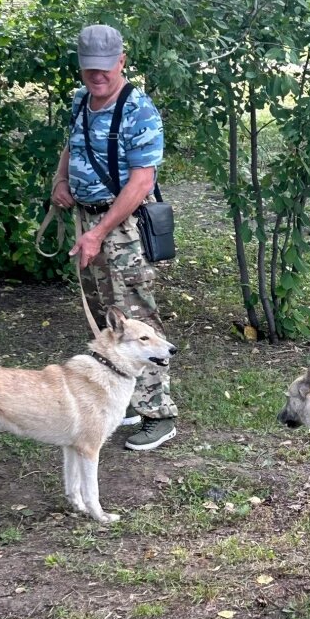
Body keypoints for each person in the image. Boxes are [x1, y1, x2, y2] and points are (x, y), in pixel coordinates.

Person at [51, 24, 178, 450]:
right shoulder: (79, 101)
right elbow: (73, 145)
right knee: (109, 318)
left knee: (140, 320)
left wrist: (99, 233)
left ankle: (158, 413)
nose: (98, 77)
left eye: (106, 69)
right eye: (90, 70)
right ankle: (123, 396)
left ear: (121, 62)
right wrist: (61, 181)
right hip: (87, 221)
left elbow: (142, 181)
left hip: (121, 226)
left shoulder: (139, 111)